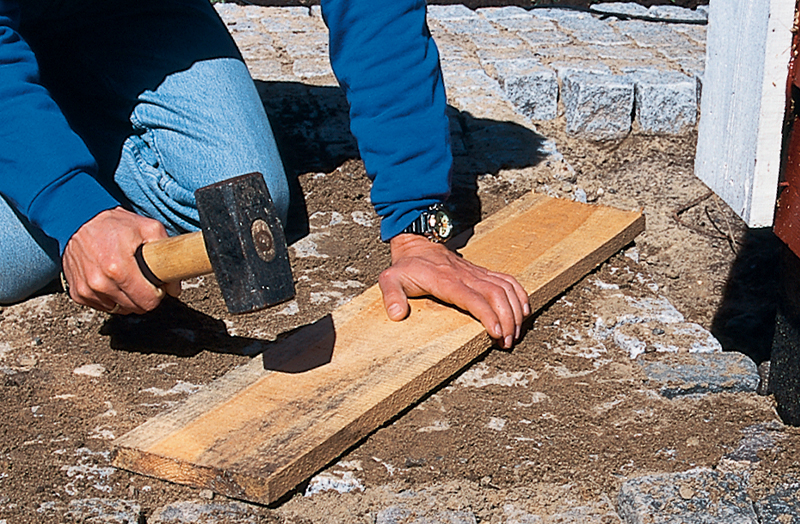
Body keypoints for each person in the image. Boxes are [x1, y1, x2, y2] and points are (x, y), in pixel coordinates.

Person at [0, 0, 530, 349]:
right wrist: (73, 207)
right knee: (13, 261)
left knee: (245, 194)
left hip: (126, 15)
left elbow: (375, 10)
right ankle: (32, 129)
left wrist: (418, 228)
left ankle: (42, 115)